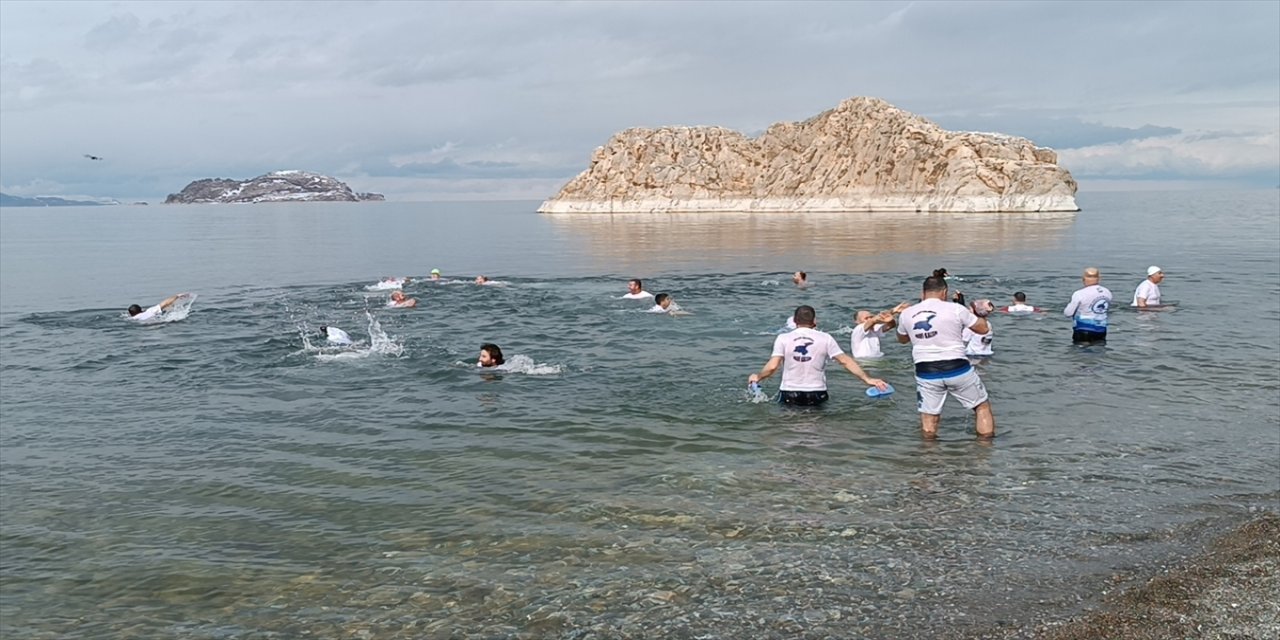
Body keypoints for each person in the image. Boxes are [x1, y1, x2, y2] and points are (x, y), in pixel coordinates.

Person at [896, 275, 995, 438]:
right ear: (944, 292)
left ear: (923, 293)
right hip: (956, 366)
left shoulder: (907, 314)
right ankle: (984, 451)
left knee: (929, 418)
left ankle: (929, 455)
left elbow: (902, 339)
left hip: (925, 370)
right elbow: (983, 329)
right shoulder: (956, 309)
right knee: (981, 407)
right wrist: (977, 315)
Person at [747, 305, 888, 406]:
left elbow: (772, 367)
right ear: (814, 321)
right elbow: (845, 361)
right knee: (817, 429)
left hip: (790, 392)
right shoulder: (825, 338)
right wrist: (867, 379)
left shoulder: (783, 338)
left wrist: (758, 377)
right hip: (817, 392)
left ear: (795, 322)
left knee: (788, 428)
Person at [1064, 267, 1112, 345]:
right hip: (1101, 330)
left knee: (1081, 354)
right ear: (1099, 278)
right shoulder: (1107, 292)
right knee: (1099, 353)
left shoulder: (1079, 294)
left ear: (1083, 279)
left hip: (1083, 330)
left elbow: (1068, 313)